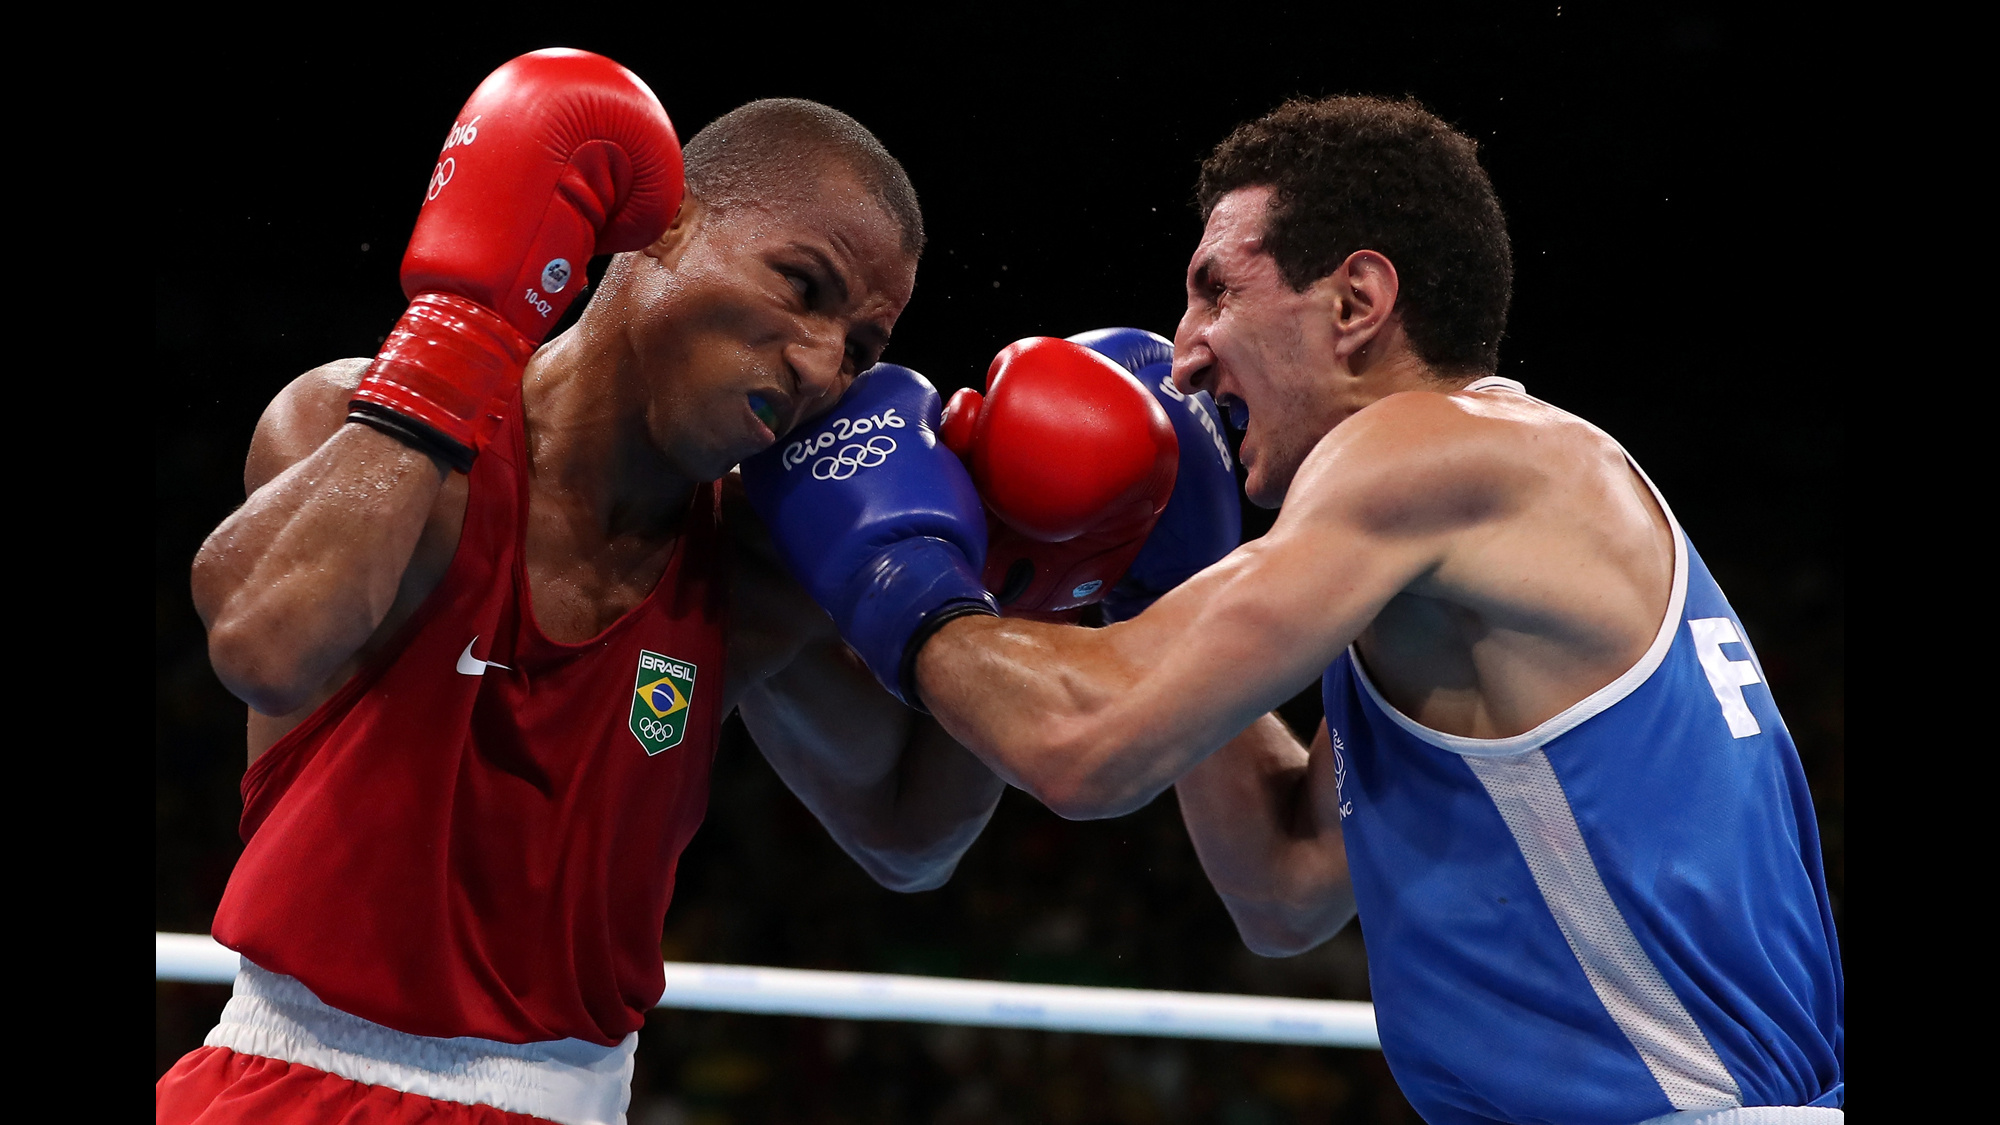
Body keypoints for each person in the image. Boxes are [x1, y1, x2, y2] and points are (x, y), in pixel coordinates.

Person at [745, 96, 1843, 1123]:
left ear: (1356, 302)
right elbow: (1286, 890)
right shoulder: (1485, 514)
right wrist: (1159, 581)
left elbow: (1084, 747)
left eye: (1215, 288)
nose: (1180, 349)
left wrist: (898, 573)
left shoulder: (1424, 452)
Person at [158, 50, 1007, 1125]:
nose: (821, 365)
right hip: (281, 1087)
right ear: (665, 225)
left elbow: (906, 839)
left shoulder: (747, 571)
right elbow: (262, 648)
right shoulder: (365, 433)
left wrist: (1022, 575)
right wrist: (454, 342)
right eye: (803, 288)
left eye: (863, 344)